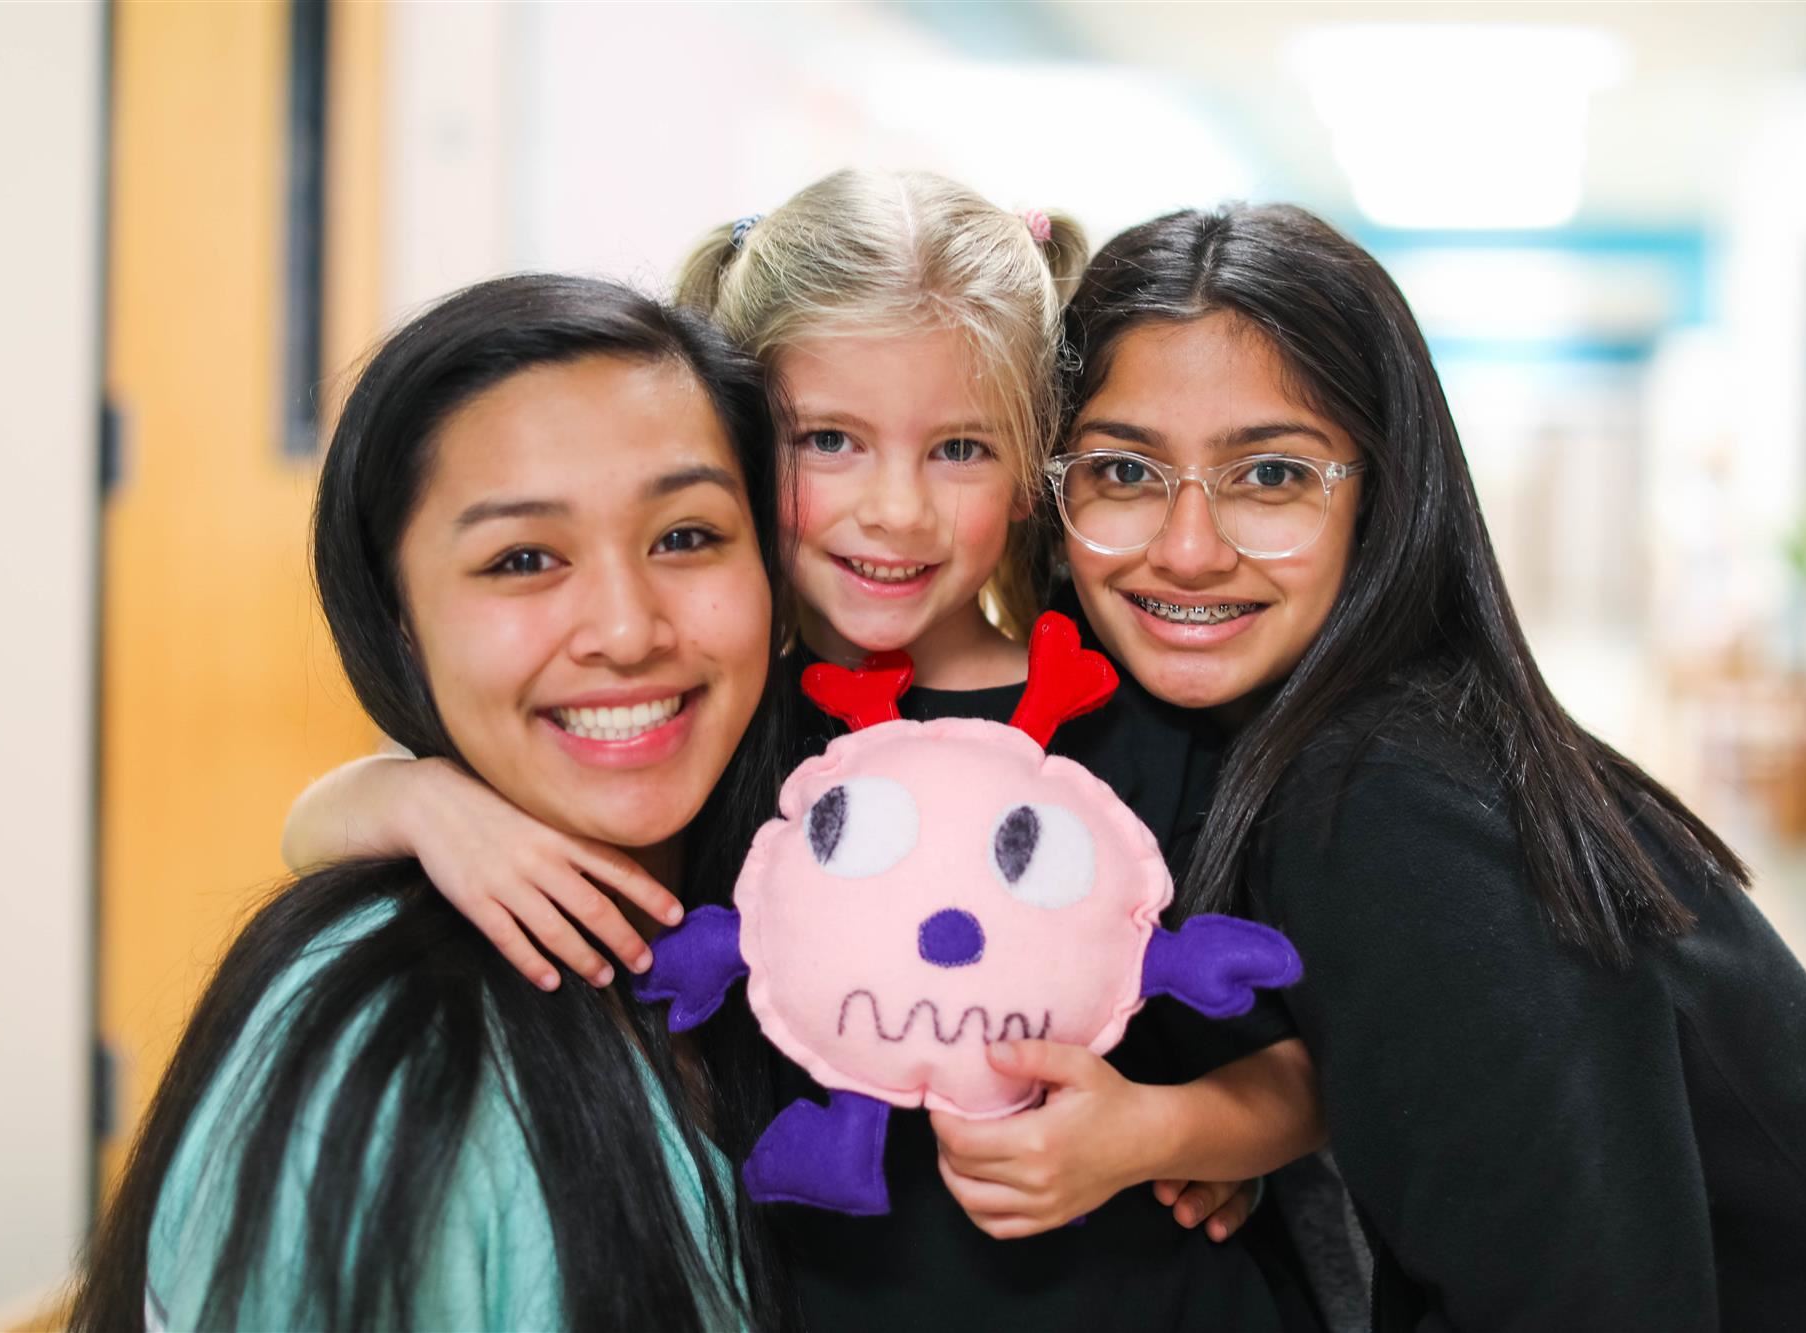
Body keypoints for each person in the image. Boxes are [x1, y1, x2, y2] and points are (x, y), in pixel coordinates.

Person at [283, 171, 1326, 1332]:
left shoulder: (1124, 731)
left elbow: (1296, 1078)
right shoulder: (705, 725)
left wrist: (1157, 1133)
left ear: (1035, 470)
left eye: (960, 449)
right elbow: (311, 829)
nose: (894, 509)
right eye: (827, 440)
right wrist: (427, 802)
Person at [1048, 201, 1806, 1331]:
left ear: (1378, 497)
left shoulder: (1387, 805)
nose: (1185, 545)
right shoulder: (1262, 750)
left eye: (1268, 476)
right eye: (1123, 470)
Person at [74, 274, 799, 1331]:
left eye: (685, 536)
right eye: (521, 558)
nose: (627, 627)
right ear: (400, 624)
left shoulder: (798, 925)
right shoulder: (385, 1045)